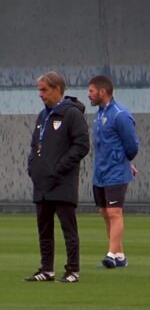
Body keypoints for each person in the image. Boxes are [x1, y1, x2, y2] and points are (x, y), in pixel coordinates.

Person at [25, 71, 90, 283]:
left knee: (68, 228)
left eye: (44, 90)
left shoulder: (72, 114)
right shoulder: (42, 116)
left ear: (57, 89)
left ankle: (73, 270)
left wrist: (59, 168)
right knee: (44, 229)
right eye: (39, 90)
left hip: (62, 182)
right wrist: (33, 167)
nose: (40, 94)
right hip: (42, 183)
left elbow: (81, 146)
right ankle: (46, 269)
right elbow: (36, 145)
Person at [88, 75, 140, 269]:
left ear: (102, 92)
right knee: (105, 212)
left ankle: (110, 255)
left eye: (91, 91)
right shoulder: (100, 114)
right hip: (100, 173)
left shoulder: (120, 114)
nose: (89, 95)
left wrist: (125, 162)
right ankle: (120, 255)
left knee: (114, 212)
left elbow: (132, 145)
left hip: (115, 172)